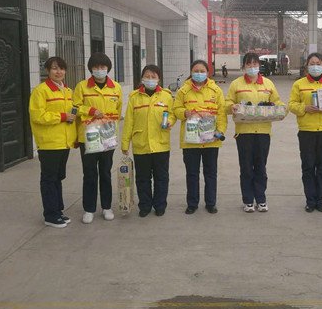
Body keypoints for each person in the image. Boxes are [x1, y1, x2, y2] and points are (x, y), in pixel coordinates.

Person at [226, 52, 283, 213]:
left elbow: (277, 101)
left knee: (260, 167)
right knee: (246, 168)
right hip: (244, 132)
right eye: (249, 64)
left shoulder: (268, 84)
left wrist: (279, 107)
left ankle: (261, 199)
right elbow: (227, 102)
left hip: (263, 132)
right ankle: (248, 200)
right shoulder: (236, 84)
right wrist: (231, 107)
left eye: (255, 64)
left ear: (259, 66)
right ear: (244, 66)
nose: (252, 67)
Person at [289, 52, 322, 212]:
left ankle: (320, 199)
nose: (315, 66)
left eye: (318, 64)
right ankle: (310, 200)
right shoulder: (299, 84)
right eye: (312, 64)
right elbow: (291, 104)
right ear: (307, 66)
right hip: (307, 131)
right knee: (308, 166)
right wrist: (304, 108)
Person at [73, 52, 123, 224]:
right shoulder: (82, 87)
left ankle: (107, 207)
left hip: (108, 136)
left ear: (108, 68)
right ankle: (89, 209)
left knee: (106, 172)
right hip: (89, 137)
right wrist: (90, 111)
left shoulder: (116, 87)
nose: (100, 70)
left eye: (103, 67)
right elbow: (74, 108)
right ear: (91, 69)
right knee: (89, 174)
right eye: (96, 67)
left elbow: (118, 111)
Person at [121, 65, 176, 217]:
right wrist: (125, 143)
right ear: (142, 78)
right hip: (141, 144)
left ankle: (160, 205)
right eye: (147, 76)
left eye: (153, 77)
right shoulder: (134, 97)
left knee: (161, 178)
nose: (150, 79)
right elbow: (129, 122)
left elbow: (172, 114)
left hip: (161, 145)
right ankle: (144, 206)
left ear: (159, 79)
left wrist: (170, 121)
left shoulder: (166, 96)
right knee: (143, 178)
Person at [173, 59, 227, 214]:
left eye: (202, 71)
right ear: (191, 72)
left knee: (210, 173)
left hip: (211, 140)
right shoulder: (183, 91)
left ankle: (211, 203)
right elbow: (175, 109)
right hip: (191, 140)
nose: (199, 74)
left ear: (207, 73)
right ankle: (192, 203)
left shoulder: (216, 91)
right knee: (192, 173)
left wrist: (220, 131)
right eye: (196, 71)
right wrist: (184, 113)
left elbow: (221, 113)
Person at [29, 57, 77, 228]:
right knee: (49, 179)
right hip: (49, 143)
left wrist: (74, 138)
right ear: (48, 71)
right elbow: (38, 116)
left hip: (64, 143)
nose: (59, 72)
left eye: (62, 68)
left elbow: (74, 114)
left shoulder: (68, 91)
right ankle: (50, 215)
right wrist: (62, 116)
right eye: (55, 68)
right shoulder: (41, 91)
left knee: (58, 178)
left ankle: (58, 210)